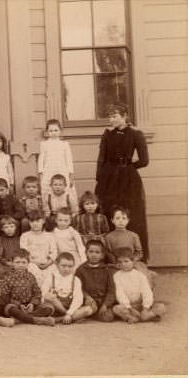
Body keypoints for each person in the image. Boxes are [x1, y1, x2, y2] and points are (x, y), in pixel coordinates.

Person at [95, 104, 150, 261]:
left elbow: (144, 160)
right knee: (108, 212)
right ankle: (109, 258)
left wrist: (128, 167)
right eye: (110, 116)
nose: (111, 119)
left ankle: (134, 258)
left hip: (128, 180)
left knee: (131, 214)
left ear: (124, 116)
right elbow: (101, 158)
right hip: (109, 179)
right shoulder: (107, 135)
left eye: (115, 116)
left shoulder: (136, 134)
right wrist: (100, 179)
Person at [0, 249, 55, 326]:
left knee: (49, 308)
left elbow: (37, 293)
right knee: (10, 309)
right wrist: (19, 305)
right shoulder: (7, 277)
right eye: (17, 262)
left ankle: (20, 319)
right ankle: (36, 320)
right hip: (16, 306)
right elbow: (5, 296)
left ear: (28, 263)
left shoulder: (31, 277)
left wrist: (32, 304)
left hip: (31, 307)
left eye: (23, 262)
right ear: (12, 263)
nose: (20, 265)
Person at [112, 248, 165, 323]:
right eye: (120, 262)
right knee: (116, 308)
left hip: (141, 304)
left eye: (126, 261)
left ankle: (146, 315)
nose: (123, 264)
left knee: (161, 307)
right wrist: (129, 308)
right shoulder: (117, 276)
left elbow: (146, 291)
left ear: (133, 262)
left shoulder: (139, 275)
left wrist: (145, 308)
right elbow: (120, 293)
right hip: (129, 306)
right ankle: (134, 317)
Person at [41, 253, 91, 324]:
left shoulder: (76, 280)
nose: (66, 269)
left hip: (70, 308)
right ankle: (69, 317)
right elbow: (43, 292)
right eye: (63, 266)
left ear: (74, 266)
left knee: (88, 310)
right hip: (54, 307)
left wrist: (69, 313)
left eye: (70, 266)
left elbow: (78, 299)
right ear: (57, 265)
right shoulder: (51, 277)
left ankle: (58, 319)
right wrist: (48, 298)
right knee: (49, 298)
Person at [75, 240, 116, 322]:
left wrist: (105, 304)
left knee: (108, 317)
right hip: (88, 300)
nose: (94, 254)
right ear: (86, 253)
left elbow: (111, 290)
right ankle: (85, 313)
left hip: (103, 300)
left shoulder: (107, 270)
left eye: (97, 252)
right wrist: (87, 297)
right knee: (88, 309)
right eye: (91, 251)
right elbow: (78, 287)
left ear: (102, 255)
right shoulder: (81, 269)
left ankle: (92, 314)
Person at [37, 119, 75, 198]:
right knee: (48, 191)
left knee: (64, 190)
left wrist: (70, 175)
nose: (53, 133)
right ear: (47, 131)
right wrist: (41, 174)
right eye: (51, 131)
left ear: (60, 130)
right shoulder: (44, 144)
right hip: (48, 170)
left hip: (62, 170)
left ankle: (64, 208)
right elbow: (41, 160)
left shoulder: (64, 144)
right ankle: (49, 209)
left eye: (56, 130)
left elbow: (69, 160)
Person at [19, 210, 57, 284]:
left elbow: (54, 252)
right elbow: (24, 253)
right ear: (29, 222)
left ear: (43, 221)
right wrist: (35, 262)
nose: (35, 224)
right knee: (32, 270)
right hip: (32, 263)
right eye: (32, 221)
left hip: (47, 263)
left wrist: (48, 263)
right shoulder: (25, 236)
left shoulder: (50, 236)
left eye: (38, 221)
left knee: (52, 272)